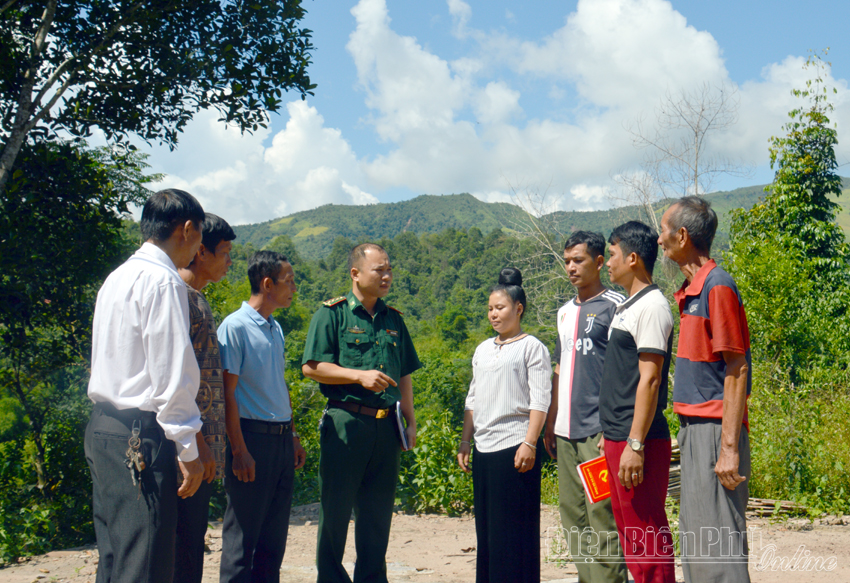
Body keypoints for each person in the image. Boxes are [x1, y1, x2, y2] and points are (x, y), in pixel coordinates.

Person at [84, 188, 206, 583]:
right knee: (145, 562)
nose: (197, 250)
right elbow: (170, 372)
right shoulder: (162, 282)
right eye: (200, 237)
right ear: (187, 229)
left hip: (102, 430)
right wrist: (188, 447)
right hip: (139, 436)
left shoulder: (116, 278)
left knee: (115, 557)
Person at [302, 243, 420, 583]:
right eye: (378, 270)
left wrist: (410, 421)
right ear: (355, 274)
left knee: (377, 516)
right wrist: (357, 376)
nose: (386, 276)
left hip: (386, 428)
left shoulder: (394, 319)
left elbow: (404, 374)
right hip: (345, 424)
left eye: (388, 269)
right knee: (335, 514)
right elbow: (312, 367)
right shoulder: (333, 314)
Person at [658, 196, 752, 582]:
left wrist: (728, 448)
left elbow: (737, 365)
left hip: (715, 431)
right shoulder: (692, 290)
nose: (660, 240)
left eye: (664, 231)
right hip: (695, 430)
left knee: (719, 545)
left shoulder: (717, 287)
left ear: (682, 235)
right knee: (698, 543)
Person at [457, 267, 552, 583]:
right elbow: (473, 397)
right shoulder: (483, 349)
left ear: (518, 309)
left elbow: (541, 399)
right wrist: (465, 440)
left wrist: (530, 442)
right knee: (487, 529)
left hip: (515, 448)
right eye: (490, 309)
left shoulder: (531, 347)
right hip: (484, 447)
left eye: (500, 308)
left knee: (514, 531)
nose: (493, 315)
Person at [543, 232, 628, 583]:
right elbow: (561, 369)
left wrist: (615, 429)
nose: (571, 268)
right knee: (573, 520)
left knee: (603, 519)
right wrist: (551, 422)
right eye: (567, 261)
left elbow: (628, 372)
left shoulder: (616, 305)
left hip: (597, 433)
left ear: (597, 262)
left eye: (579, 260)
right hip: (566, 434)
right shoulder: (564, 313)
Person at [217, 250, 307, 583]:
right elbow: (227, 394)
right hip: (251, 439)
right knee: (242, 541)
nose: (294, 288)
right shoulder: (235, 327)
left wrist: (293, 435)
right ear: (267, 283)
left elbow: (278, 384)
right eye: (289, 281)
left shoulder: (275, 328)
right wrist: (239, 451)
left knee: (273, 543)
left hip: (281, 441)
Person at [598, 221, 675, 583]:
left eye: (611, 254)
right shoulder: (627, 306)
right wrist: (610, 433)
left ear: (632, 258)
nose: (606, 262)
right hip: (617, 436)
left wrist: (634, 443)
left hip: (638, 440)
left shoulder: (653, 307)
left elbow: (650, 379)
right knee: (631, 535)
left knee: (647, 534)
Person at [175, 213, 236, 583]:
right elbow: (177, 381)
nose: (229, 262)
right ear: (200, 251)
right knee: (180, 548)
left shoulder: (198, 299)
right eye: (225, 252)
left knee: (190, 544)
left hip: (201, 449)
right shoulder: (178, 297)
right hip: (188, 451)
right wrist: (197, 445)